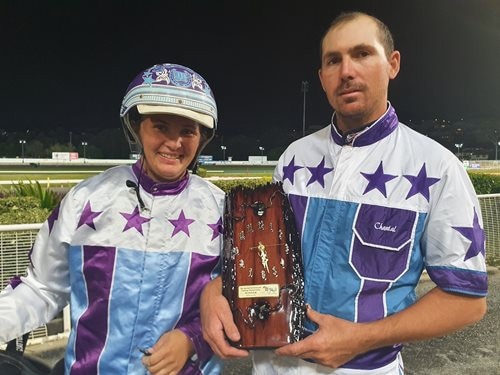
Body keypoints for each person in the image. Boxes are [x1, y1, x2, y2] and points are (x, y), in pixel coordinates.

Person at [200, 11, 488, 374]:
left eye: (362, 54)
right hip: (272, 365)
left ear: (392, 64)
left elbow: (467, 301)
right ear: (322, 78)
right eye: (333, 60)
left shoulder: (437, 168)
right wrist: (215, 289)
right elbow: (260, 260)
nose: (346, 71)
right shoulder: (294, 158)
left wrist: (362, 338)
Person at [0, 63, 225, 374]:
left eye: (187, 131)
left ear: (202, 138)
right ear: (136, 127)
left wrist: (191, 340)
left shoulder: (224, 210)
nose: (174, 143)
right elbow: (41, 288)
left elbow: (242, 300)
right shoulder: (84, 200)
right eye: (160, 126)